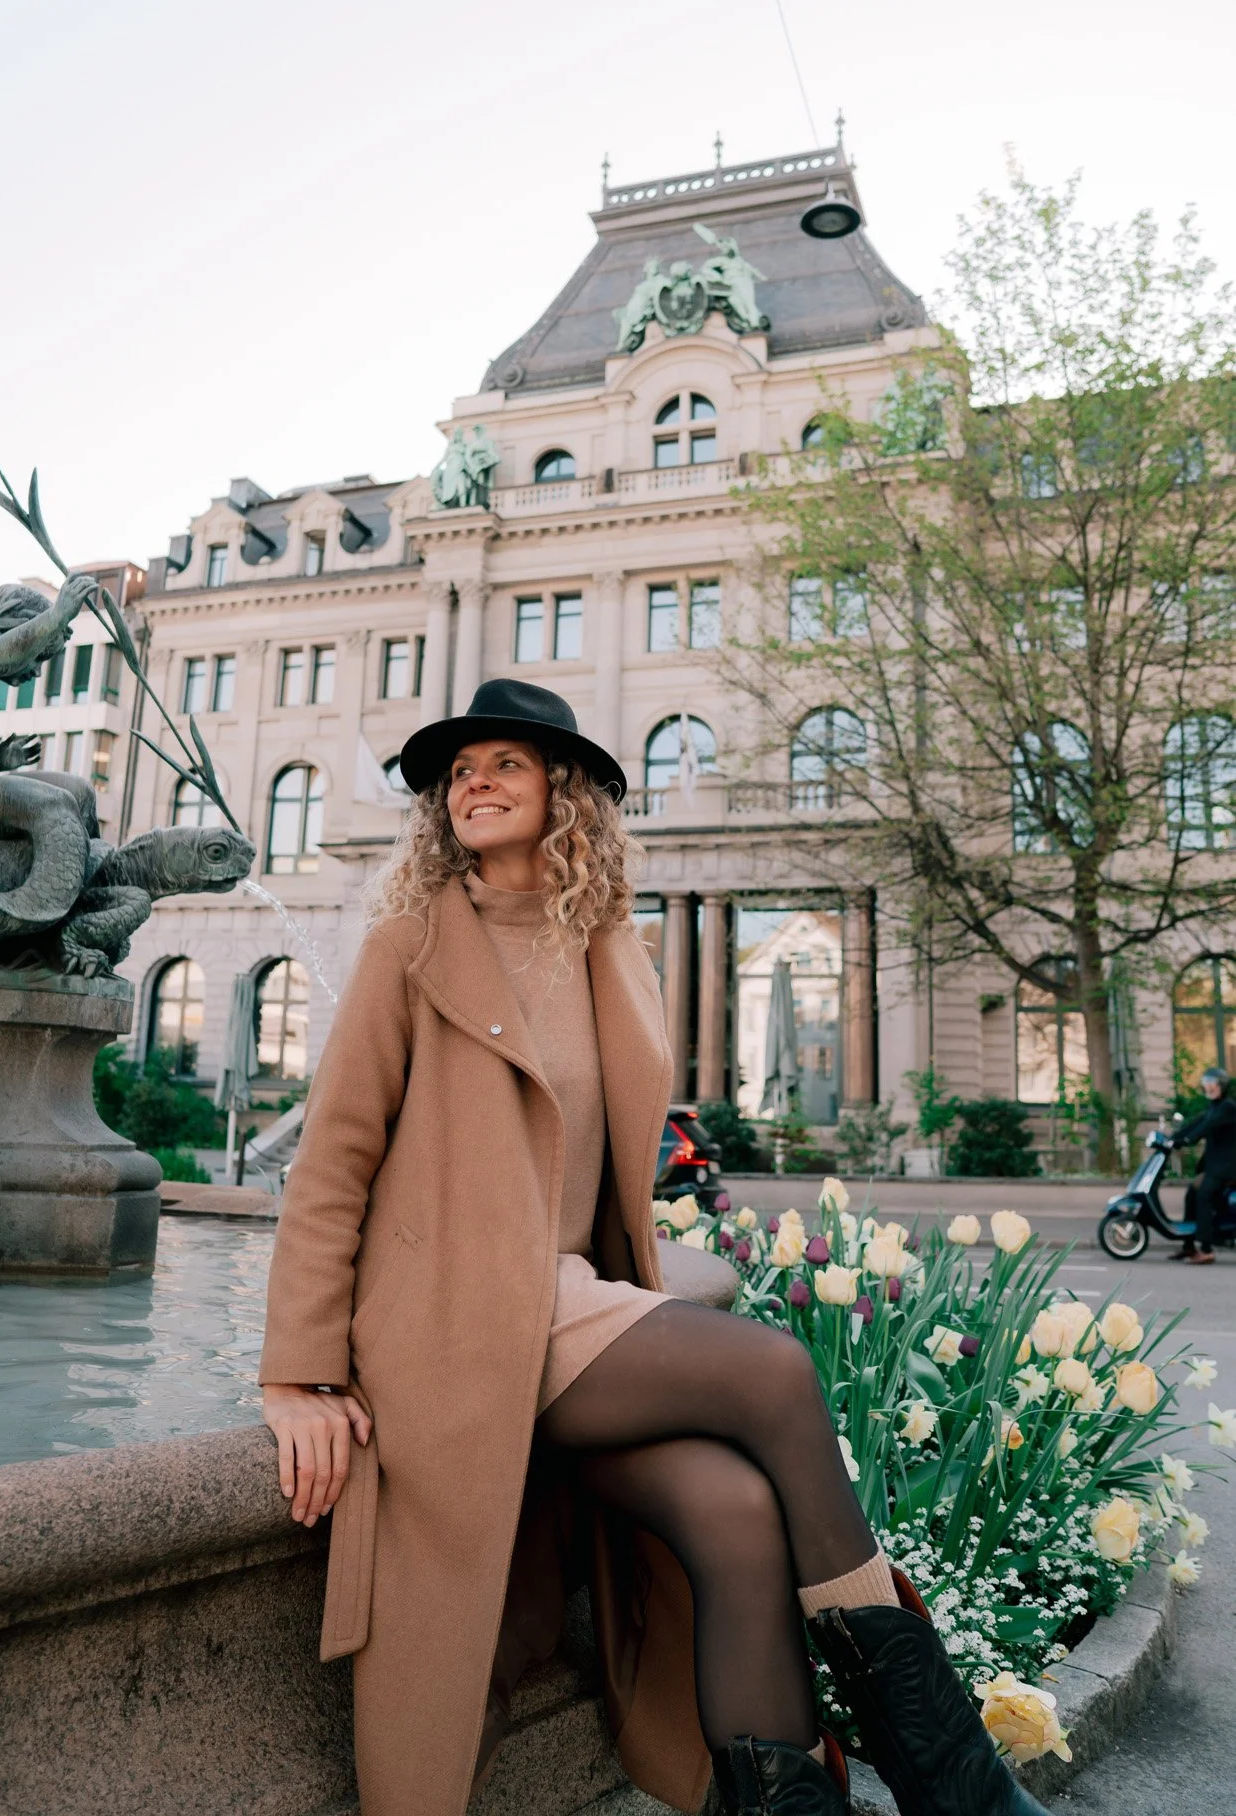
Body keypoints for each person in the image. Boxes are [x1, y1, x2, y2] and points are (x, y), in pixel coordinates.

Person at [259, 679, 1047, 1816]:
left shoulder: (611, 950)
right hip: (455, 1322)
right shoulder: (410, 946)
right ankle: (946, 1768)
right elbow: (329, 1167)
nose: (475, 781)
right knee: (773, 1367)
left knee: (732, 1511)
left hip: (567, 1304)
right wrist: (299, 1370)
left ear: (562, 791)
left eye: (506, 764)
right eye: (461, 770)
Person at [1173, 1066, 1236, 1265]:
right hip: (1215, 1167)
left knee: (1204, 1196)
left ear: (1222, 1086)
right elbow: (1194, 1124)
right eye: (1206, 1083)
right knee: (1191, 1194)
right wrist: (1170, 1139)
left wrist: (1189, 1140)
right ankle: (1188, 1247)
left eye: (1213, 1083)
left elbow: (1206, 1127)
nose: (1208, 1087)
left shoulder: (1227, 1107)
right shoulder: (1213, 1108)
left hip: (1227, 1167)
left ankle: (1207, 1250)